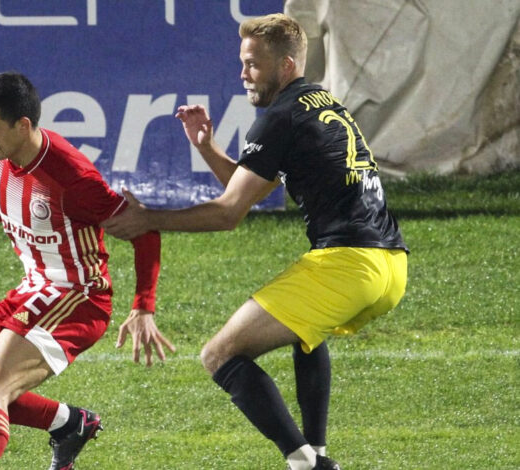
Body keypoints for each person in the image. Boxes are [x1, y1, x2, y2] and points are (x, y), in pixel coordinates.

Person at [101, 13, 408, 470]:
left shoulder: (280, 118)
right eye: (242, 62)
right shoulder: (323, 103)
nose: (243, 74)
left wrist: (148, 219)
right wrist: (206, 147)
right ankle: (317, 453)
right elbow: (251, 190)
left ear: (286, 65)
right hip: (390, 266)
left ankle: (307, 464)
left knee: (219, 354)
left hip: (348, 266)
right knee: (306, 334)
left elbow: (229, 213)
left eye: (253, 64)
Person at [0, 71, 175, 470]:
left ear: (22, 125)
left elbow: (145, 231)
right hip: (33, 288)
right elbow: (13, 194)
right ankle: (70, 424)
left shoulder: (73, 178)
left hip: (77, 297)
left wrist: (143, 307)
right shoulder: (7, 151)